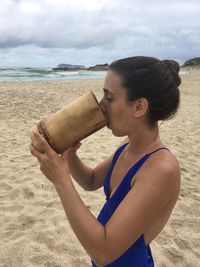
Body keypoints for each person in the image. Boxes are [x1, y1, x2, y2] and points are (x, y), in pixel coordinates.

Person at [30, 56, 181, 267]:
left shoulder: (162, 169)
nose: (101, 106)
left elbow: (103, 252)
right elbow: (90, 180)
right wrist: (70, 155)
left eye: (109, 98)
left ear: (139, 107)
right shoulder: (126, 148)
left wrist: (61, 181)